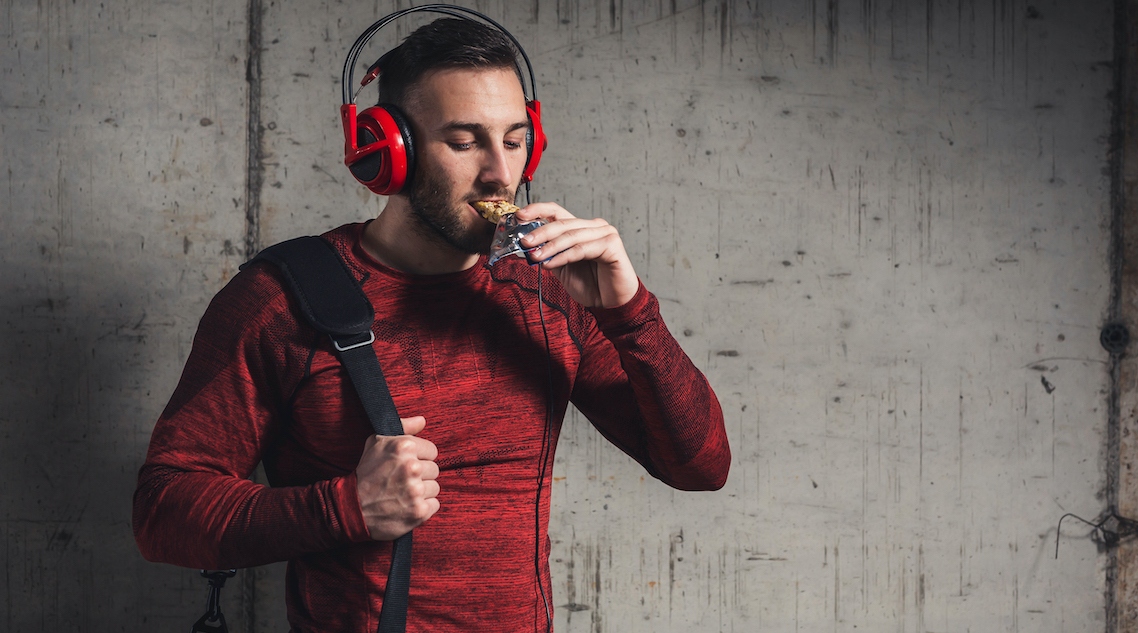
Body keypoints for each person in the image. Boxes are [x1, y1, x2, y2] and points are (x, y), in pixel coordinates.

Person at [133, 15, 730, 633]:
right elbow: (162, 510)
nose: (503, 173)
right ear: (389, 153)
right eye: (466, 142)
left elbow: (700, 467)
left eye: (517, 139)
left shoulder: (551, 290)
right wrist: (345, 508)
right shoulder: (281, 301)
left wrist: (628, 311)